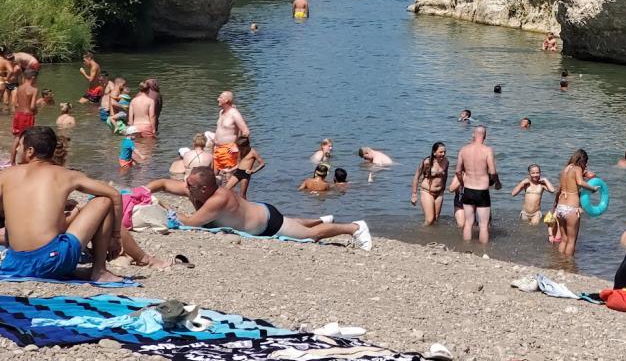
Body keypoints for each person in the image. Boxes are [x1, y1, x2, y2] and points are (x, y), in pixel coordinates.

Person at [0, 127, 123, 282]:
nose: (16, 149)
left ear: (30, 151)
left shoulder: (5, 175)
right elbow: (115, 195)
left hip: (14, 264)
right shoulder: (66, 175)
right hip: (52, 262)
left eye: (20, 145)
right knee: (103, 201)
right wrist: (115, 237)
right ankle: (99, 271)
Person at [163, 167, 371, 248]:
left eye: (191, 185)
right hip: (264, 212)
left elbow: (191, 223)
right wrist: (145, 190)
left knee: (311, 235)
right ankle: (324, 219)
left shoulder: (217, 199)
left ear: (205, 187)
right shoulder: (212, 193)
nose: (186, 187)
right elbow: (163, 184)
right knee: (291, 222)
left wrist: (166, 212)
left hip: (268, 224)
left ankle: (354, 228)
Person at [455, 125, 500, 244]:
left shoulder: (463, 149)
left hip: (468, 189)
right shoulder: (487, 150)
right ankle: (482, 251)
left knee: (468, 223)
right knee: (483, 225)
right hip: (482, 191)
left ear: (473, 134)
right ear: (485, 136)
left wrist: (461, 184)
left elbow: (458, 171)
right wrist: (498, 183)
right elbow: (493, 172)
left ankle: (466, 248)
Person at [554, 148, 599, 257]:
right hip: (571, 208)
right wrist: (592, 188)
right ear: (582, 160)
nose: (586, 165)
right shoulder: (577, 168)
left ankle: (560, 261)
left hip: (560, 207)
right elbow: (579, 182)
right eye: (586, 162)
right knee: (571, 241)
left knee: (564, 239)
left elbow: (561, 188)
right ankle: (568, 264)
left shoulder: (565, 170)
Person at [411, 142, 450, 225]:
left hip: (439, 193)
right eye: (441, 152)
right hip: (427, 191)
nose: (443, 154)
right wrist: (414, 194)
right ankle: (421, 235)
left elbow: (445, 175)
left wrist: (443, 189)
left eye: (444, 152)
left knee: (436, 219)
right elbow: (416, 177)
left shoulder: (446, 162)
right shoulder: (427, 162)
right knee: (429, 219)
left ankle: (432, 237)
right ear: (434, 152)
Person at [214, 91, 249, 175]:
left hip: (228, 150)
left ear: (226, 100)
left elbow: (246, 132)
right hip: (217, 149)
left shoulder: (234, 114)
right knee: (214, 178)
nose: (218, 99)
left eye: (220, 97)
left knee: (227, 178)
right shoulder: (221, 112)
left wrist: (237, 147)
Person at [10, 70, 39, 161]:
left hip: (18, 115)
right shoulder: (34, 90)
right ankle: (24, 160)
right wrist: (36, 111)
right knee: (25, 138)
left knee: (17, 138)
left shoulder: (19, 88)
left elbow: (15, 103)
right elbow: (32, 106)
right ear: (33, 78)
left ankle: (12, 161)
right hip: (27, 116)